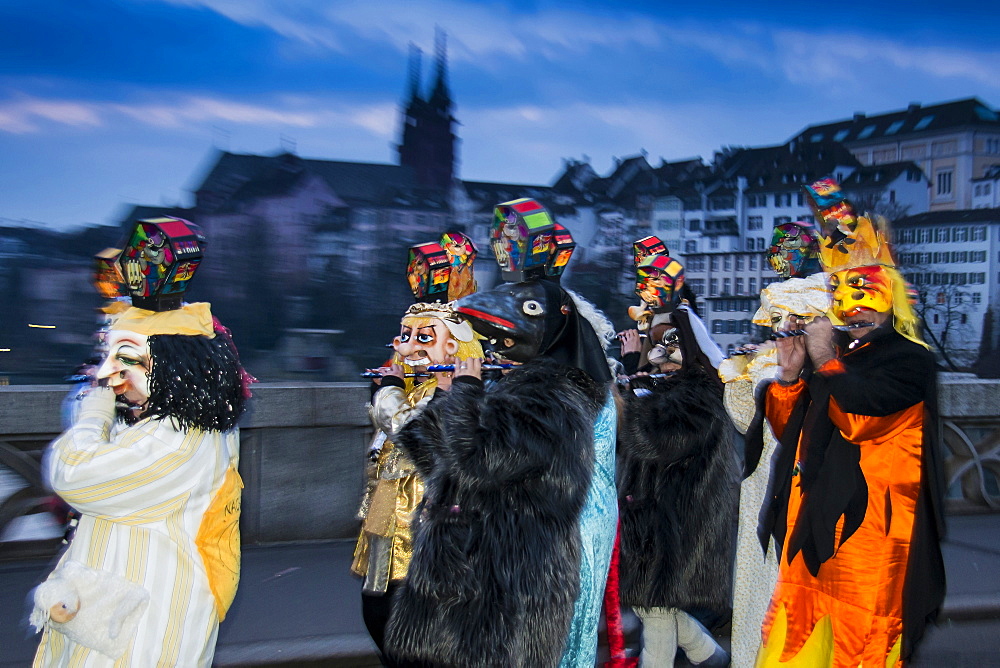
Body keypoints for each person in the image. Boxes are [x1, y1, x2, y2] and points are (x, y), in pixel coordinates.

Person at [384, 199, 618, 667]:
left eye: (504, 345)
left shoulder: (555, 397)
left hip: (515, 578)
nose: (496, 353)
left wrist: (466, 391)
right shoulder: (520, 387)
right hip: (478, 569)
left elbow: (479, 458)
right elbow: (441, 463)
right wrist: (433, 402)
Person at [32, 218, 251, 667]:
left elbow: (72, 472)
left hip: (145, 627)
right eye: (109, 355)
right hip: (112, 613)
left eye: (126, 359)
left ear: (175, 367)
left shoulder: (181, 441)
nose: (107, 372)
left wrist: (95, 406)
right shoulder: (161, 420)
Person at [755, 205, 946, 667]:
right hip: (813, 529)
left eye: (861, 289)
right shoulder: (840, 357)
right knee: (795, 639)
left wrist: (824, 358)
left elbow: (861, 420)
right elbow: (790, 432)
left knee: (858, 647)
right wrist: (789, 376)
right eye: (838, 290)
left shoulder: (910, 360)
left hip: (869, 541)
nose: (847, 304)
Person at [616, 251, 736, 668]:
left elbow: (649, 440)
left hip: (677, 523)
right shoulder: (666, 386)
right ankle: (711, 655)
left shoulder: (697, 394)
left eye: (673, 342)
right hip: (650, 520)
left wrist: (633, 375)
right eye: (656, 342)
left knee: (658, 610)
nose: (661, 351)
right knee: (654, 606)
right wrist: (638, 379)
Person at [720, 220, 829, 668]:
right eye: (780, 318)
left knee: (790, 595)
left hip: (800, 492)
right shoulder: (767, 360)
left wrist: (781, 376)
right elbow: (750, 424)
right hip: (761, 486)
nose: (783, 327)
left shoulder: (823, 367)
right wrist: (738, 383)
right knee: (755, 590)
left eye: (795, 318)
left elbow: (797, 426)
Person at [352, 302, 484, 662]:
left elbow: (409, 431)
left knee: (414, 625)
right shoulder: (420, 389)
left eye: (424, 338)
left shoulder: (464, 395)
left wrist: (389, 389)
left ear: (453, 347)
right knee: (377, 607)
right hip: (386, 519)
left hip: (425, 526)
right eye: (406, 336)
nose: (407, 347)